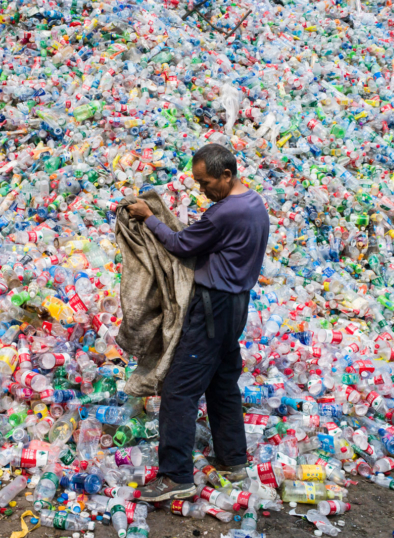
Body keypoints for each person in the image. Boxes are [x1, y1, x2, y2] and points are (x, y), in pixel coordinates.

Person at [125, 144, 270, 501]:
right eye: (198, 182)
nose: (202, 190)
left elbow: (179, 244)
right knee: (222, 384)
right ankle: (233, 461)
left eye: (206, 183)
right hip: (237, 305)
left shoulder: (225, 213)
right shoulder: (254, 203)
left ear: (226, 175)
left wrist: (149, 216)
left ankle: (175, 477)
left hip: (212, 307)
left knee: (179, 390)